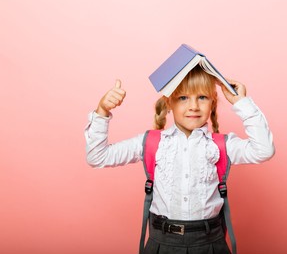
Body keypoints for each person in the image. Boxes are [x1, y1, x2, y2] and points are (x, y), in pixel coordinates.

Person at [85, 65, 275, 254]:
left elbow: (264, 150)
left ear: (213, 102)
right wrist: (102, 110)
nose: (193, 106)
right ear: (169, 103)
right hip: (162, 244)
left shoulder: (221, 146)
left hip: (210, 244)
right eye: (183, 98)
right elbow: (97, 156)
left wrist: (241, 102)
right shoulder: (151, 143)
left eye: (202, 97)